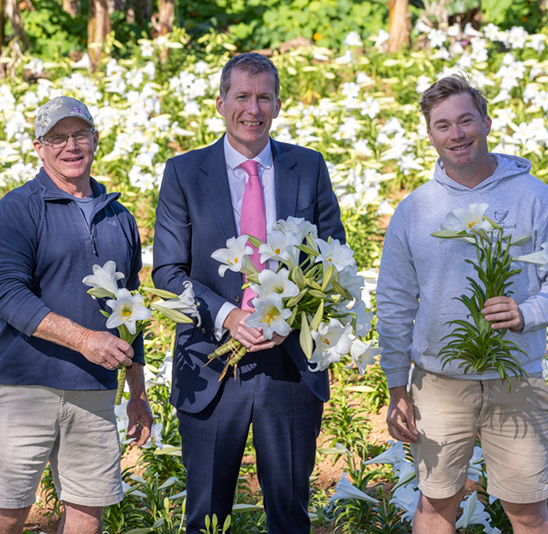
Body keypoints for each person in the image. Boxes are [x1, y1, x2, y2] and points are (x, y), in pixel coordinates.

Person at [377, 75, 548, 534]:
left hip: (517, 379)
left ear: (486, 122)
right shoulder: (416, 210)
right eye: (443, 125)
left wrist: (526, 312)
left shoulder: (534, 197)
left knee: (528, 511)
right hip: (438, 383)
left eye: (466, 120)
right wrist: (397, 388)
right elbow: (393, 302)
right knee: (436, 505)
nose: (456, 134)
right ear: (429, 134)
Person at [152, 53, 345, 533]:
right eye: (242, 96)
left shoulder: (308, 166)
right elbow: (168, 272)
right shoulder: (184, 173)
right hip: (213, 365)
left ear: (278, 105)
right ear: (221, 103)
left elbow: (333, 256)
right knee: (207, 517)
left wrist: (293, 316)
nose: (252, 109)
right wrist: (226, 317)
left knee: (289, 514)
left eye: (264, 97)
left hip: (290, 368)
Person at [0, 96, 153, 534]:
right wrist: (85, 340)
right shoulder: (17, 209)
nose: (70, 146)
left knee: (88, 513)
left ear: (95, 140)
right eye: (57, 137)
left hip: (93, 390)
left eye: (79, 134)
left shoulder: (119, 217)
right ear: (39, 147)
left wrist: (137, 392)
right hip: (21, 387)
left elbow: (130, 309)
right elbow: (6, 295)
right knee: (8, 514)